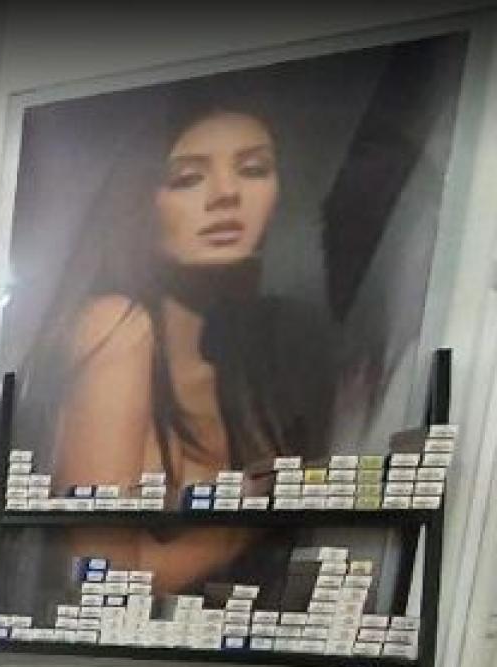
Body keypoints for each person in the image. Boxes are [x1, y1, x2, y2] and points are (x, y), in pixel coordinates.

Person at [19, 83, 336, 590]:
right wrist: (252, 520)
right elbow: (102, 576)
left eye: (254, 169)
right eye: (188, 178)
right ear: (140, 203)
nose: (227, 194)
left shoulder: (253, 354)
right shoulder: (118, 327)